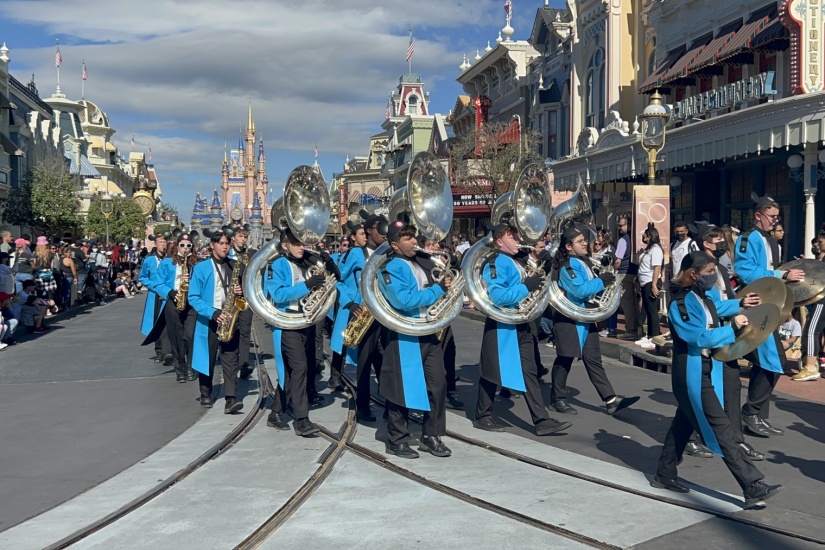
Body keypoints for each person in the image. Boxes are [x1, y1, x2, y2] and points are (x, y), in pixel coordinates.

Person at [651, 251, 781, 506]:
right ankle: (752, 485)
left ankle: (664, 473)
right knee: (721, 427)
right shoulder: (680, 302)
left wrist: (742, 304)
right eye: (709, 272)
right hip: (690, 369)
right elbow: (697, 337)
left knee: (683, 424)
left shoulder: (700, 297)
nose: (714, 276)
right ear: (693, 275)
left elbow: (715, 308)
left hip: (701, 368)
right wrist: (731, 328)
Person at [473, 219, 572, 436]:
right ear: (499, 241)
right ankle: (483, 414)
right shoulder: (496, 262)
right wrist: (526, 287)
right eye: (512, 236)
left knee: (529, 372)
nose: (518, 239)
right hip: (502, 324)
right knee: (492, 372)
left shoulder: (518, 261)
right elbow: (498, 296)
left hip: (522, 322)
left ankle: (541, 420)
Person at [377, 218, 451, 458]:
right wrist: (438, 290)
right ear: (395, 245)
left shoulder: (422, 263)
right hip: (405, 334)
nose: (413, 241)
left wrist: (445, 285)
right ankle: (396, 438)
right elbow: (403, 301)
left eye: (413, 236)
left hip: (429, 331)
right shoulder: (389, 267)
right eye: (407, 238)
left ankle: (431, 434)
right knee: (401, 388)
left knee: (438, 385)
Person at [549, 223, 639, 417]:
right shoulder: (567, 266)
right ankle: (557, 399)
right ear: (568, 246)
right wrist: (601, 281)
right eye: (580, 241)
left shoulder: (583, 261)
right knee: (565, 359)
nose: (585, 244)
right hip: (570, 319)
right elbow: (580, 290)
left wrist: (605, 269)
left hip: (586, 318)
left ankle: (610, 399)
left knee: (593, 359)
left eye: (584, 240)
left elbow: (591, 283)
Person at [735, 194, 804, 437]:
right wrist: (782, 276)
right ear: (758, 215)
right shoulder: (748, 238)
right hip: (756, 307)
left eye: (777, 217)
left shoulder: (771, 241)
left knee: (770, 362)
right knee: (775, 362)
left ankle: (756, 415)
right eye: (772, 216)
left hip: (771, 307)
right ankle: (751, 413)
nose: (776, 221)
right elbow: (745, 271)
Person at [694, 225, 765, 461]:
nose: (723, 243)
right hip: (710, 339)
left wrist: (741, 304)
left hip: (726, 335)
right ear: (706, 243)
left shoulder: (720, 268)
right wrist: (739, 304)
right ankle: (694, 437)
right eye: (717, 239)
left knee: (731, 387)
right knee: (704, 392)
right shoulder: (701, 269)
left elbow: (725, 298)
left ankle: (735, 440)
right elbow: (710, 306)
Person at [264, 226, 339, 435]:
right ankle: (302, 419)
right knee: (300, 368)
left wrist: (328, 263)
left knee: (291, 371)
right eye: (296, 243)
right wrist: (307, 285)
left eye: (302, 243)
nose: (301, 247)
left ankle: (276, 412)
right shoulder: (277, 265)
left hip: (305, 321)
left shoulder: (308, 262)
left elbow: (334, 279)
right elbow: (278, 295)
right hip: (287, 323)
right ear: (285, 246)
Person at [329, 210, 388, 421]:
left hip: (385, 313)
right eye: (381, 228)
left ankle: (391, 404)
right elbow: (337, 279)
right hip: (364, 313)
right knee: (365, 361)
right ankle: (363, 405)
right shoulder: (356, 254)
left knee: (386, 362)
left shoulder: (387, 252)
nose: (385, 233)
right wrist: (349, 302)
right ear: (371, 231)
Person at [187, 229, 245, 413]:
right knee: (207, 357)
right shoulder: (201, 268)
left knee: (230, 358)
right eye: (221, 243)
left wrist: (240, 293)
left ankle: (231, 398)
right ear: (212, 245)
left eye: (227, 243)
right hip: (209, 318)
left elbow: (245, 297)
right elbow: (193, 297)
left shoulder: (235, 266)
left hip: (229, 317)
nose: (225, 247)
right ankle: (206, 392)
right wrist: (212, 313)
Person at [153, 233, 199, 383]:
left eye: (188, 245)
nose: (185, 248)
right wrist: (171, 292)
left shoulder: (196, 263)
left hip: (191, 304)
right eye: (182, 245)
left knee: (190, 336)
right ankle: (180, 369)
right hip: (173, 303)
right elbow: (157, 283)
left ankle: (192, 366)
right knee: (176, 337)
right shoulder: (167, 263)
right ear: (177, 246)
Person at [794, 227, 825, 381]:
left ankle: (811, 367)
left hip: (823, 301)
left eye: (820, 241)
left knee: (812, 330)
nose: (817, 244)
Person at [139, 232, 171, 364]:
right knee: (156, 323)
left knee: (168, 323)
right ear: (156, 244)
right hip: (155, 295)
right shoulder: (149, 260)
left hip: (167, 295)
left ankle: (168, 350)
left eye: (164, 242)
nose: (163, 244)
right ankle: (159, 351)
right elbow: (142, 277)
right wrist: (153, 285)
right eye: (160, 242)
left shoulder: (170, 260)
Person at [229, 225, 255, 380]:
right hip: (230, 299)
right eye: (240, 236)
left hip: (245, 298)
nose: (243, 240)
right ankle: (232, 361)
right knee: (232, 330)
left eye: (245, 237)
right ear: (233, 238)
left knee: (245, 331)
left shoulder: (250, 254)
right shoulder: (228, 254)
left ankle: (244, 363)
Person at [636, 223, 664, 349]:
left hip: (650, 281)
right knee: (647, 309)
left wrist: (654, 284)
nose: (643, 237)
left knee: (652, 310)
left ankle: (654, 336)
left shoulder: (656, 249)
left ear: (651, 236)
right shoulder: (648, 249)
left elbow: (657, 267)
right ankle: (649, 335)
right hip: (643, 281)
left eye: (645, 236)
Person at [614, 214, 640, 340]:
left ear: (629, 225)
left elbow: (618, 260)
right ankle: (637, 328)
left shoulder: (623, 240)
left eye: (622, 225)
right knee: (634, 303)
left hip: (624, 273)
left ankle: (630, 330)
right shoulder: (636, 239)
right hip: (634, 272)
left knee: (626, 303)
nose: (620, 228)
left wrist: (613, 269)